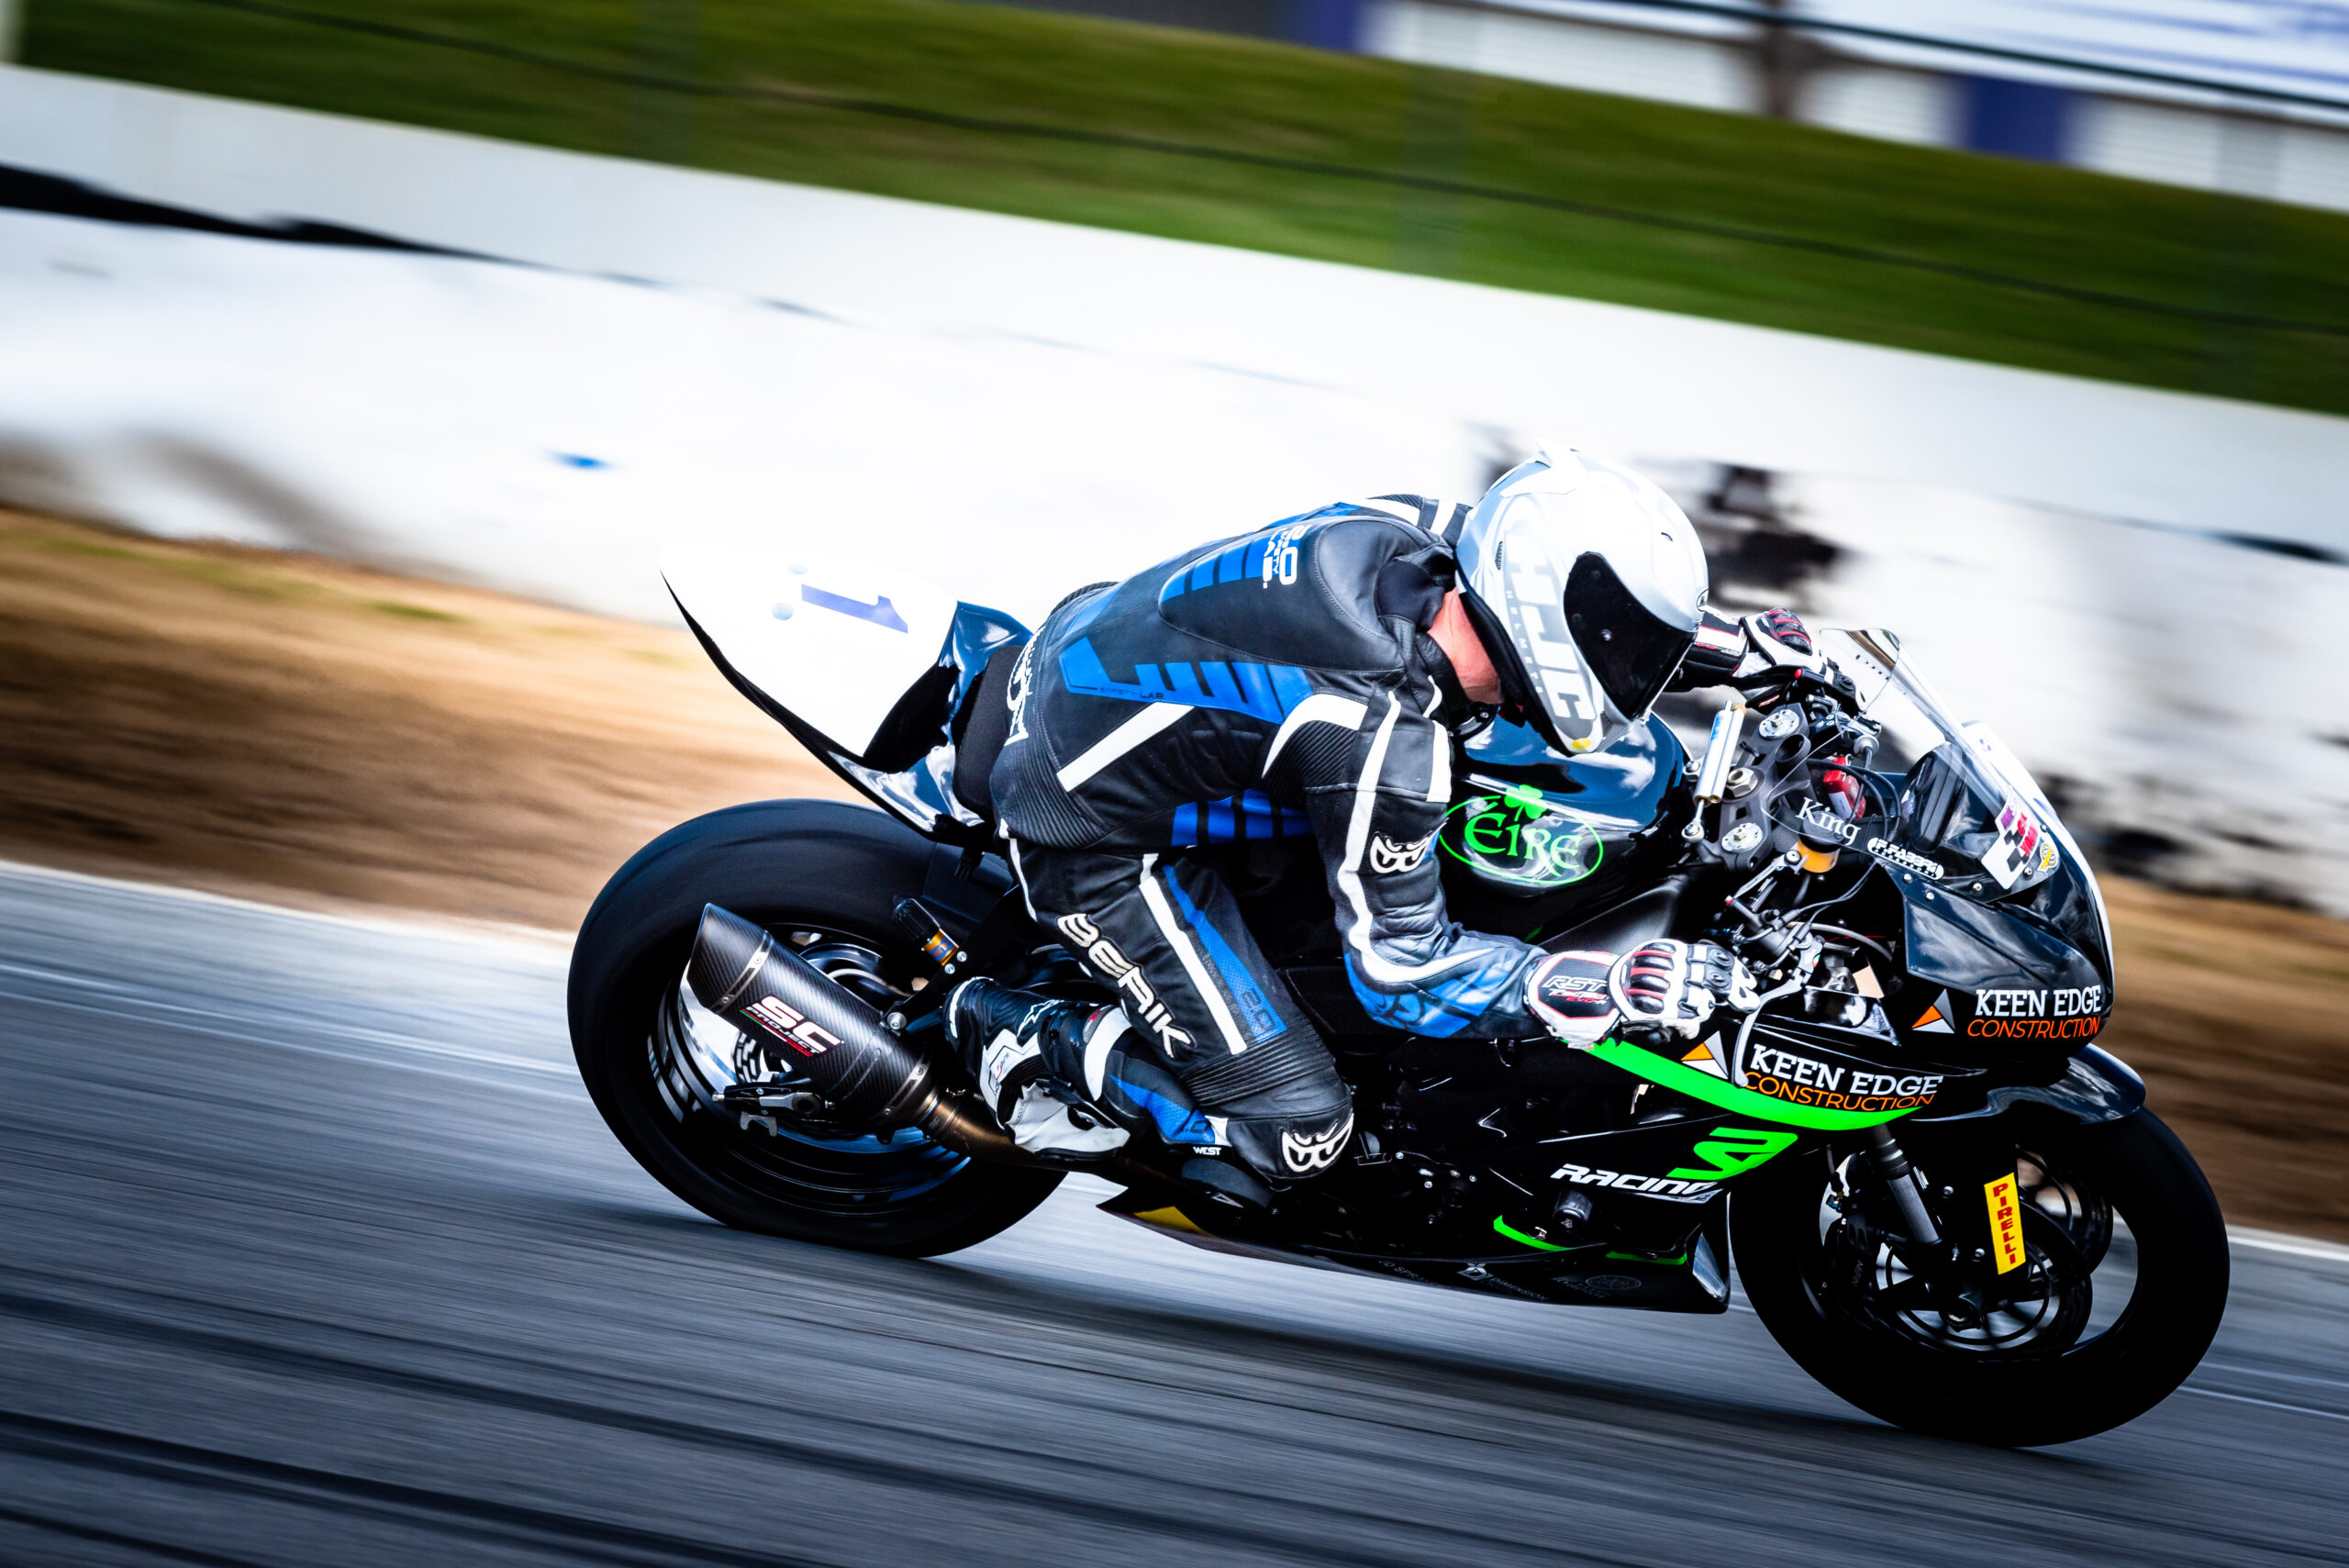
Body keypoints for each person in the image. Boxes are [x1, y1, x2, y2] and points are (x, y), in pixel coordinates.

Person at [943, 445, 1817, 1203]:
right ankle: (1019, 1031)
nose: (1633, 663)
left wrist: (1740, 651)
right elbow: (1402, 972)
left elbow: (1561, 604)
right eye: (1626, 646)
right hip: (1088, 830)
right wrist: (1610, 986)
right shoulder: (1382, 739)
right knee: (1296, 1133)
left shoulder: (1430, 530)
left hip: (1093, 654)